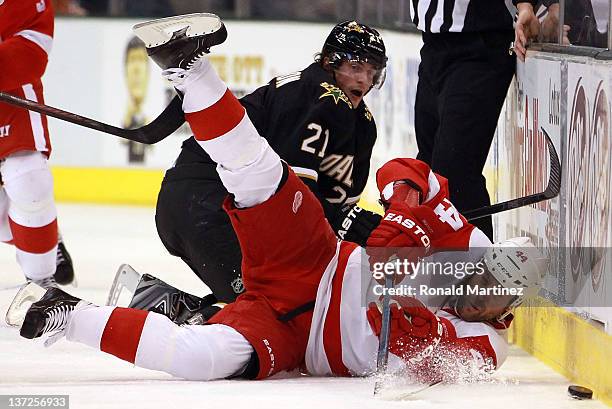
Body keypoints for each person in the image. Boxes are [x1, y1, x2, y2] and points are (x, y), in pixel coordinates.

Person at [14, 15, 546, 383]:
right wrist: (407, 217)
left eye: (491, 296)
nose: (475, 292)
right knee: (262, 178)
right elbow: (408, 174)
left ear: (508, 310)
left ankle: (69, 316)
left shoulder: (487, 348)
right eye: (479, 275)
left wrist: (401, 286)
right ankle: (188, 69)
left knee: (204, 359)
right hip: (313, 259)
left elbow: (419, 350)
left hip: (295, 339)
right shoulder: (462, 240)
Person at [132, 19, 387, 316]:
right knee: (272, 312)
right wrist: (348, 223)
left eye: (372, 72)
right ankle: (171, 315)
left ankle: (166, 306)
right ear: (331, 62)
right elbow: (295, 195)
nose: (364, 81)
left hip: (199, 203)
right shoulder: (316, 95)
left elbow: (332, 207)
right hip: (207, 204)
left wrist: (352, 222)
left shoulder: (360, 123)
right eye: (356, 68)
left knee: (288, 308)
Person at [411, 1, 543, 240]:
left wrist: (526, 5)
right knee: (429, 169)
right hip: (432, 45)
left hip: (480, 47)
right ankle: (443, 268)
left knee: (454, 173)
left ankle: (478, 273)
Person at [0, 0, 74, 288]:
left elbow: (32, 51)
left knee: (28, 181)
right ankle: (46, 237)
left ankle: (43, 287)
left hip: (10, 100)